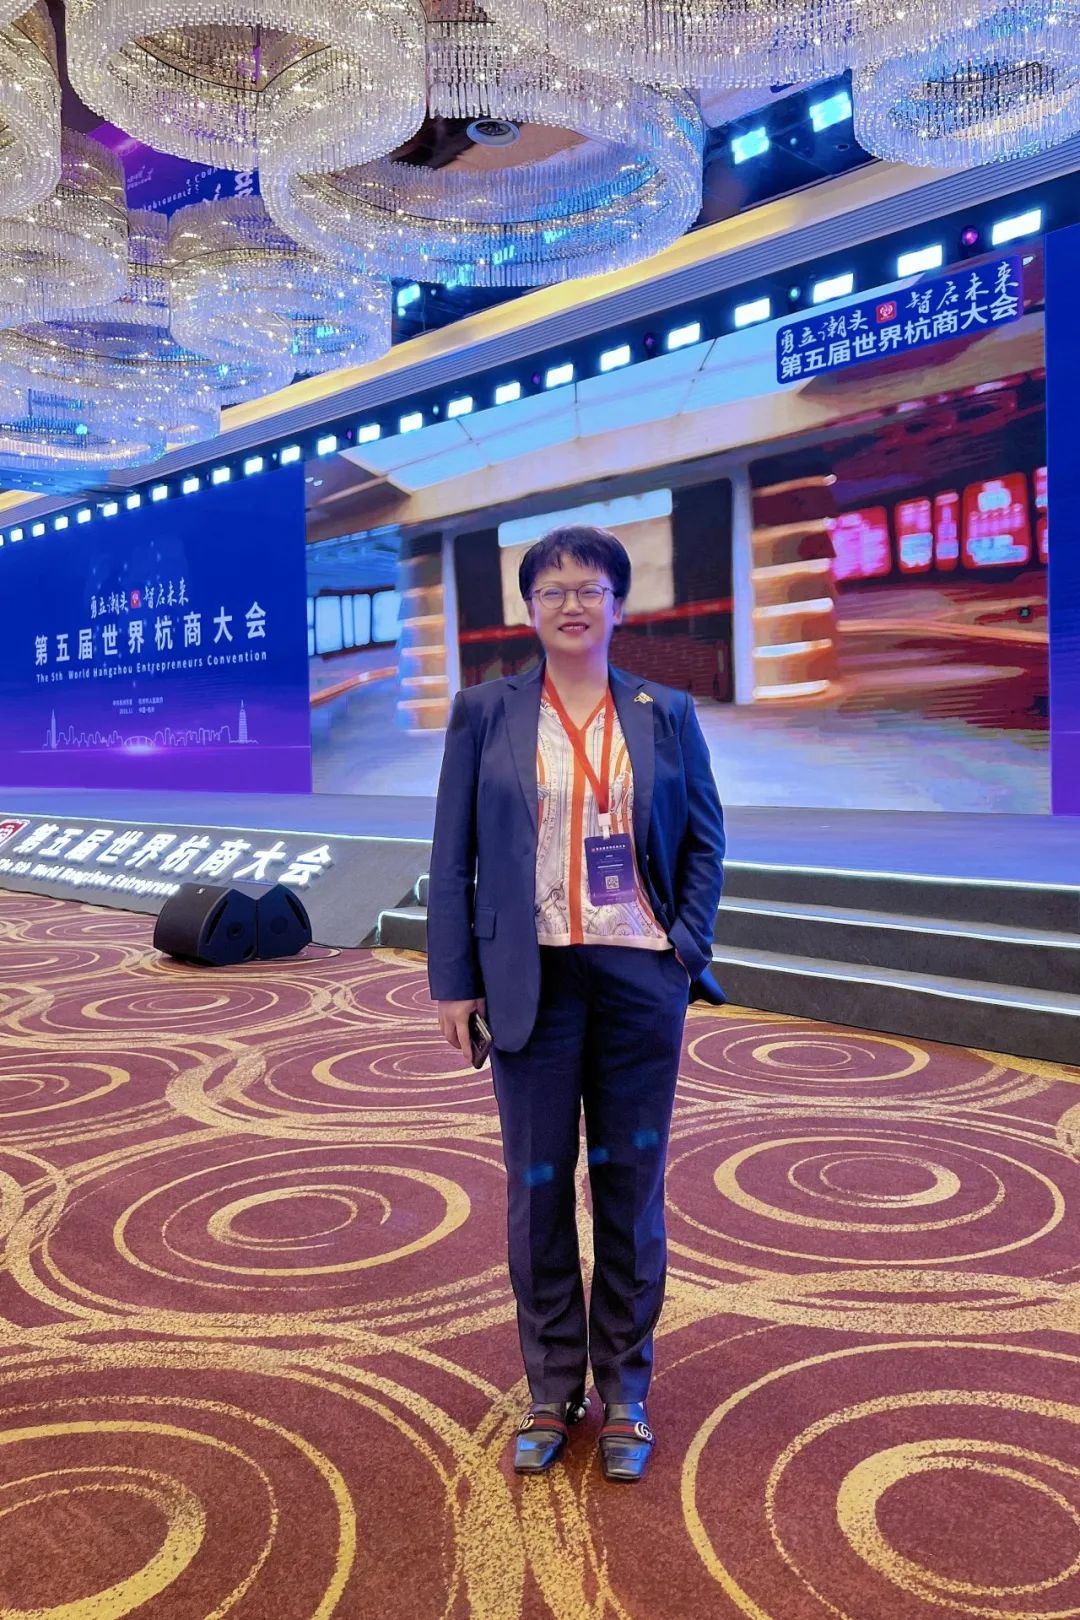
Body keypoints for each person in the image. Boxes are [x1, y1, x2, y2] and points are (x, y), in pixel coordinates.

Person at [427, 523, 725, 1484]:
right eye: (551, 588)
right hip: (532, 981)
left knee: (632, 1186)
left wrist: (684, 947)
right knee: (539, 1186)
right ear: (528, 608)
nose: (570, 603)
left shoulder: (665, 711)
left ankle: (626, 1387)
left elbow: (705, 841)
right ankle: (552, 1385)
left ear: (618, 605)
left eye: (589, 588)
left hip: (640, 979)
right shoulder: (485, 711)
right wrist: (452, 979)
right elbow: (452, 855)